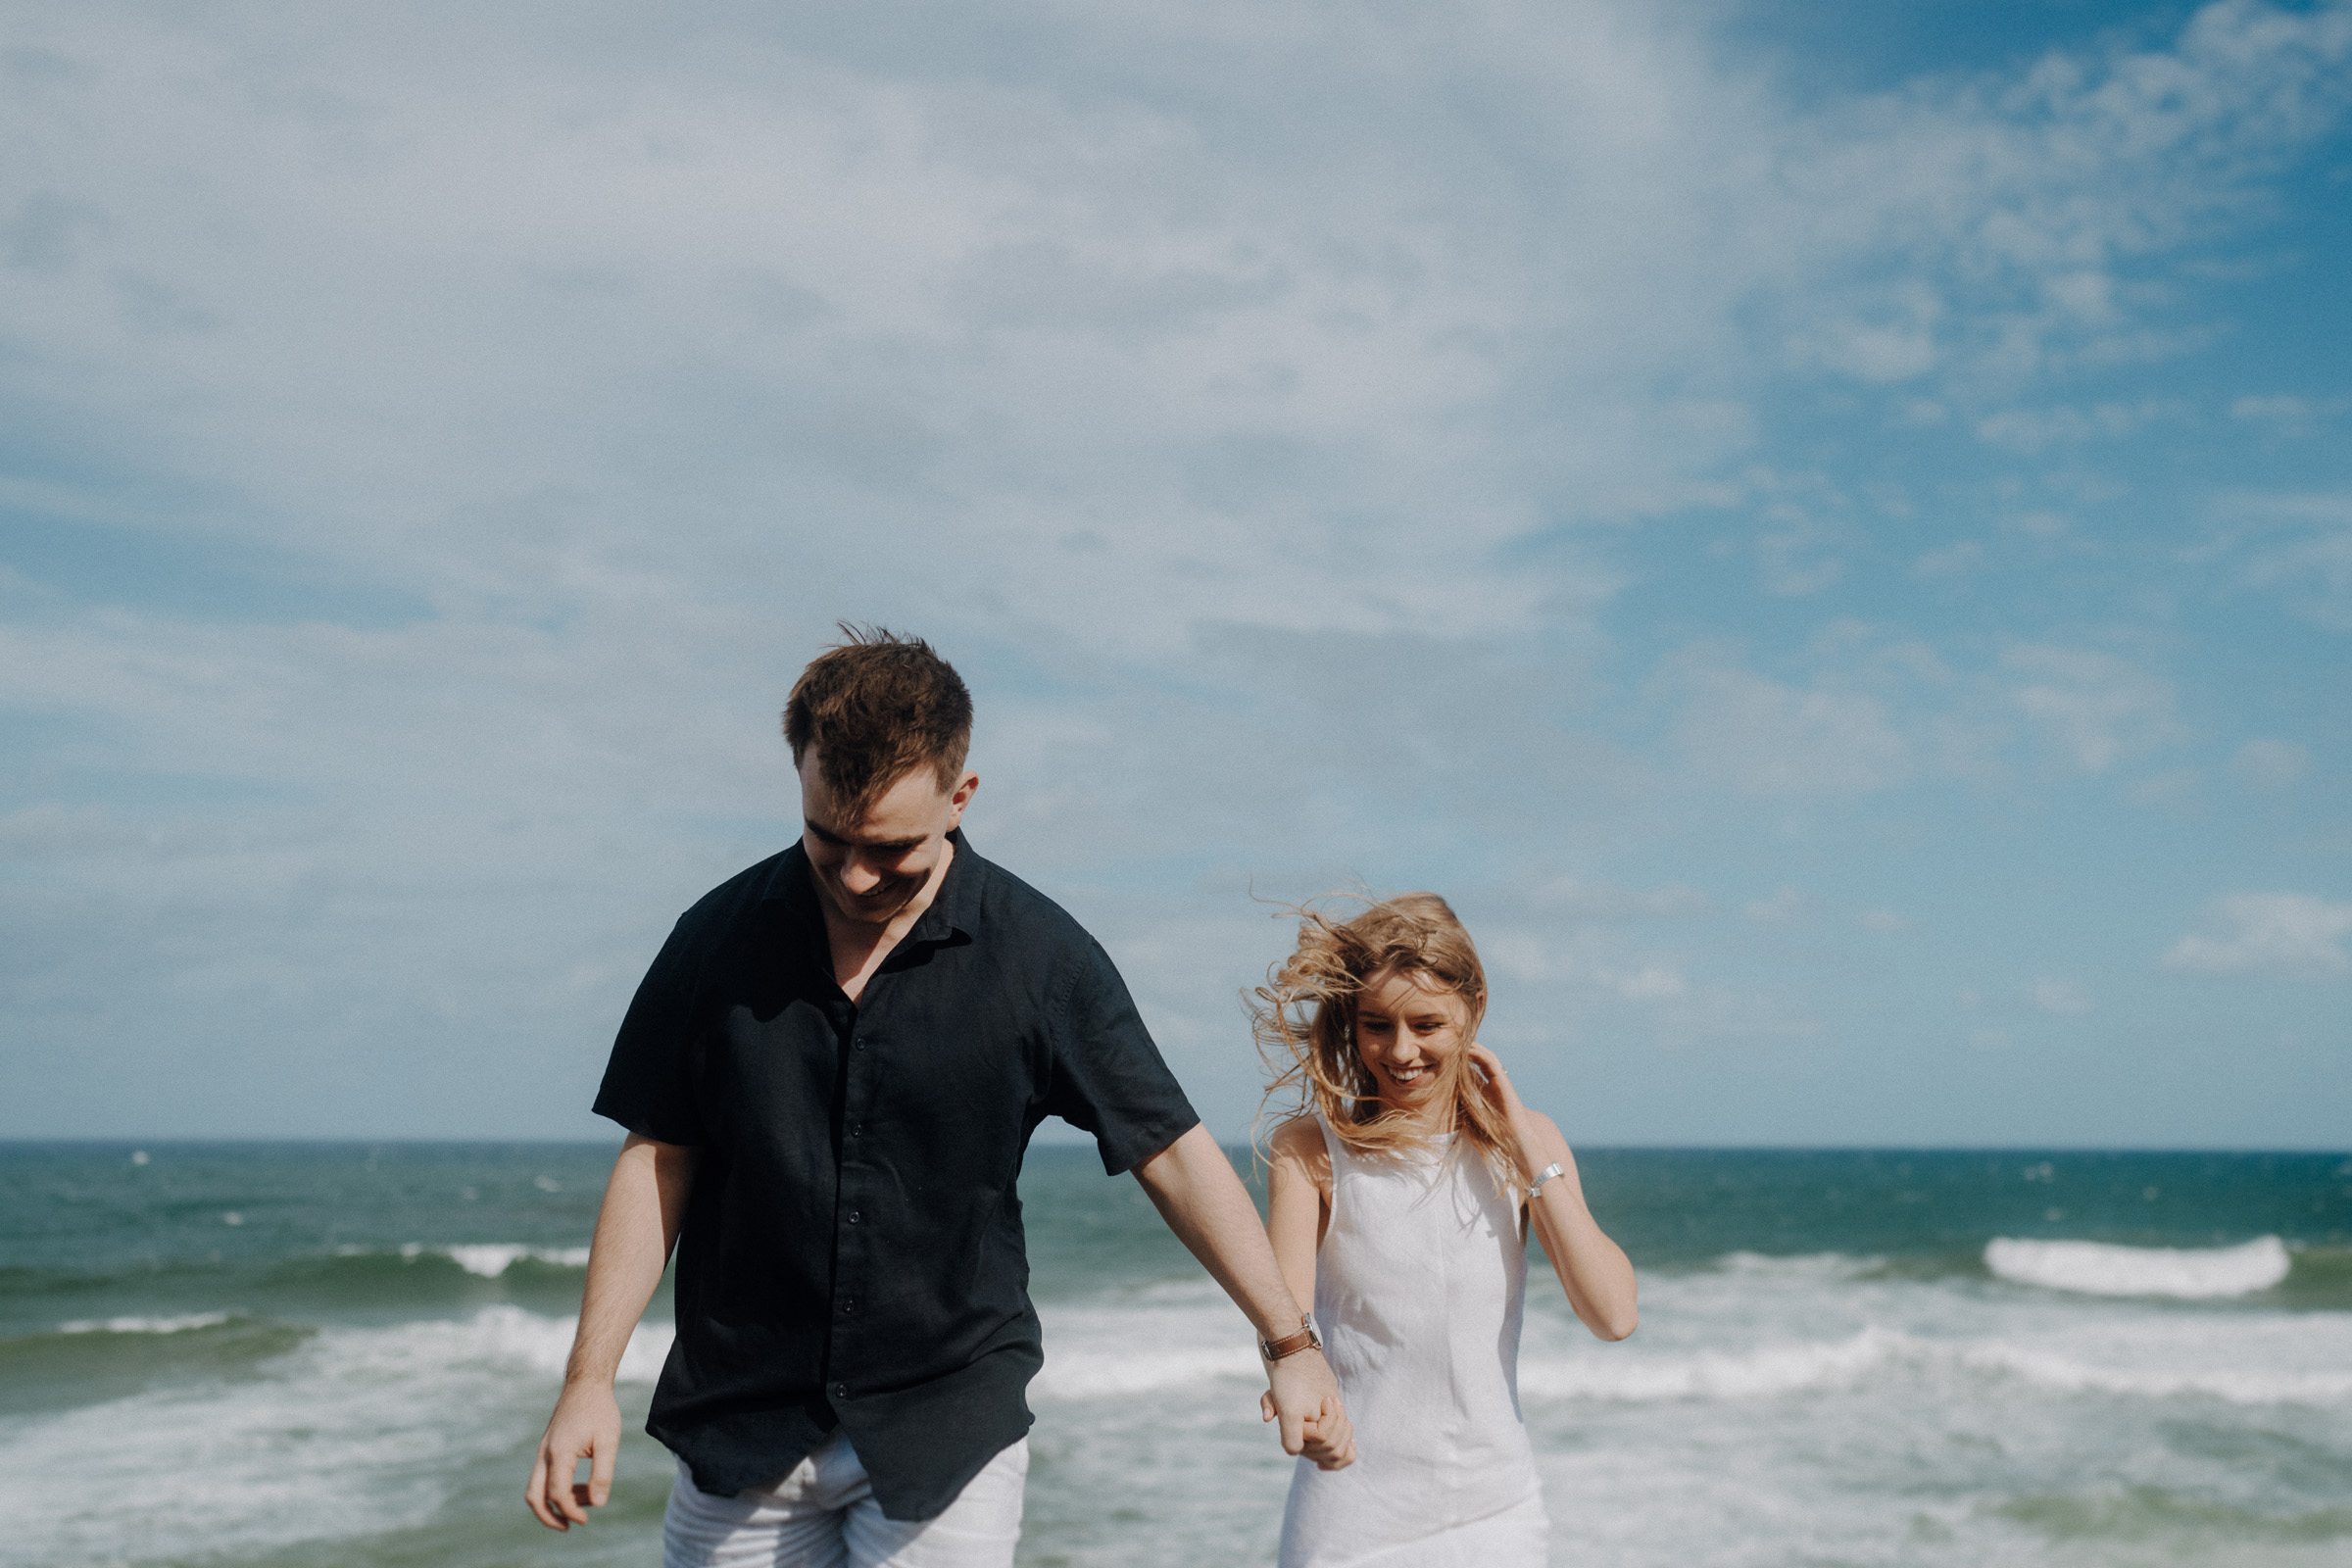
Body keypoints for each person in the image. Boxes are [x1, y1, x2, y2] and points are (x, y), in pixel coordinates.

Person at [526, 627, 1352, 1566]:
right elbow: (659, 1157)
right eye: (825, 839)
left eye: (889, 850)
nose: (852, 878)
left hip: (947, 1424)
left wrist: (1292, 1344)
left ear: (961, 798)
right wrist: (588, 1381)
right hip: (743, 1423)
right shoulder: (714, 941)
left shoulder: (1042, 957)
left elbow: (1169, 1151)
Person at [1256, 893, 1637, 1568]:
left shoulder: (1527, 1143)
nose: (1400, 1051)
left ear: (1473, 1011)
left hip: (1501, 1517)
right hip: (1352, 1519)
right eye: (1377, 1025)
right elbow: (1283, 1327)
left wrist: (1521, 1140)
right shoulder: (1309, 1151)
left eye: (1426, 1023)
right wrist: (1309, 1413)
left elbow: (1612, 1315)